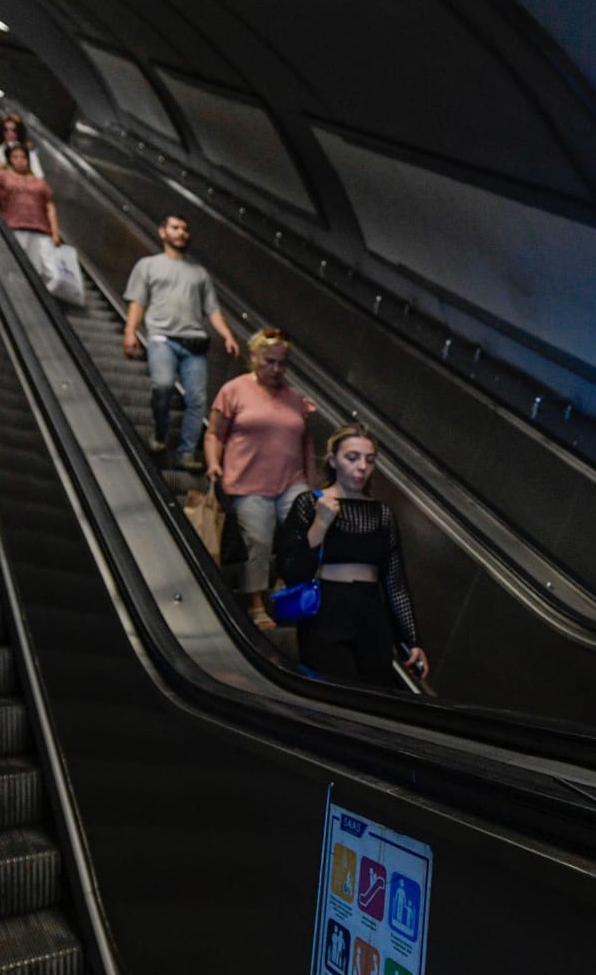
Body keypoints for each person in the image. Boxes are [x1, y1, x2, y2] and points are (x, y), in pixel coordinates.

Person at [277, 425, 429, 686]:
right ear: (334, 460)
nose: (362, 467)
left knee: (375, 693)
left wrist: (411, 640)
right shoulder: (309, 503)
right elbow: (291, 570)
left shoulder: (382, 514)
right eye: (352, 457)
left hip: (371, 612)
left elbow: (395, 582)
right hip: (326, 609)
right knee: (337, 691)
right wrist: (321, 524)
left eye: (369, 460)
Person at [206, 329, 317, 628]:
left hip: (290, 481)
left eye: (282, 363)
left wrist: (312, 481)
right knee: (258, 540)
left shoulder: (295, 398)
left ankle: (283, 581)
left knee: (305, 530)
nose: (276, 369)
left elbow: (307, 442)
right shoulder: (234, 390)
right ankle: (256, 601)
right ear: (253, 357)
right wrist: (213, 463)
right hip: (247, 482)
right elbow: (215, 433)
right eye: (269, 362)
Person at [121, 214, 242, 469]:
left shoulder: (199, 273)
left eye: (185, 229)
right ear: (162, 232)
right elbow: (138, 301)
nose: (181, 233)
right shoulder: (148, 265)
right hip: (161, 338)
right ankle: (161, 432)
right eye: (175, 228)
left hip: (194, 343)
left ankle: (186, 453)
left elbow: (212, 310)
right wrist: (130, 331)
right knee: (163, 385)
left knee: (197, 400)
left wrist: (228, 335)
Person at [0, 144, 58, 277]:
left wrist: (55, 233)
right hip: (14, 226)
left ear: (28, 159)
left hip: (41, 230)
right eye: (15, 157)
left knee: (46, 272)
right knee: (16, 268)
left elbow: (49, 206)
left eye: (23, 157)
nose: (19, 160)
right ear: (10, 159)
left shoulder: (40, 182)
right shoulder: (3, 176)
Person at [0, 113, 41, 178]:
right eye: (6, 130)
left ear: (19, 131)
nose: (10, 133)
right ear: (1, 132)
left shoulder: (30, 154)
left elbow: (39, 177)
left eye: (14, 130)